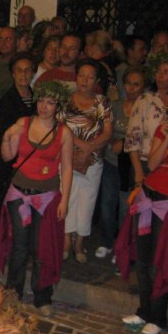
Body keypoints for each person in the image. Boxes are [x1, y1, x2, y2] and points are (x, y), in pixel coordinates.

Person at [115, 88, 168, 334]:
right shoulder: (164, 129)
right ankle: (144, 311)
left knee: (161, 263)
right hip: (148, 197)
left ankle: (158, 317)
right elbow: (152, 164)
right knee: (143, 261)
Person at [0, 81, 74, 315]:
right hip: (20, 194)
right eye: (41, 101)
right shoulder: (23, 123)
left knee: (42, 249)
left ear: (58, 106)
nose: (44, 106)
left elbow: (67, 168)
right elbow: (7, 156)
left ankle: (42, 296)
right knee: (19, 247)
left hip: (47, 197)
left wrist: (65, 200)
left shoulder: (64, 133)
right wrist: (7, 136)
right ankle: (13, 294)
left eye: (50, 102)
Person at [60, 59, 113, 263]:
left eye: (90, 77)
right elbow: (60, 128)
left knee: (87, 201)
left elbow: (107, 132)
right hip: (68, 157)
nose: (85, 80)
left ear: (97, 80)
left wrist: (89, 149)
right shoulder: (66, 100)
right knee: (68, 197)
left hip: (92, 159)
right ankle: (66, 240)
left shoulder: (102, 102)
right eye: (81, 75)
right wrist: (80, 146)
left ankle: (80, 242)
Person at [96, 67, 145, 259]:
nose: (131, 88)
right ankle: (106, 241)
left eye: (136, 84)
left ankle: (122, 246)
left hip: (132, 165)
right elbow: (102, 130)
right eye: (128, 83)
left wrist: (124, 143)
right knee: (107, 203)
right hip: (111, 161)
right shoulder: (114, 106)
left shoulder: (146, 109)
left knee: (126, 207)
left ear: (143, 87)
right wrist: (113, 141)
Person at [124, 53, 168, 188]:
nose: (161, 75)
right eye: (158, 71)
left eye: (166, 72)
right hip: (145, 162)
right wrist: (138, 171)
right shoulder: (145, 99)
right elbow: (132, 138)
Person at [0, 53, 36, 218]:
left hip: (33, 157)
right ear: (13, 74)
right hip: (11, 159)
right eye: (19, 70)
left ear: (33, 73)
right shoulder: (7, 101)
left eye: (27, 70)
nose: (23, 74)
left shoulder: (38, 99)